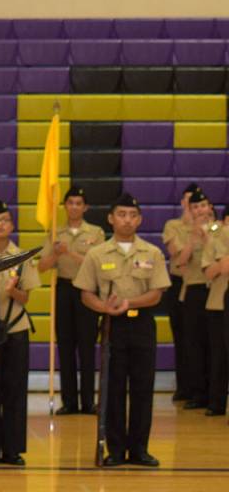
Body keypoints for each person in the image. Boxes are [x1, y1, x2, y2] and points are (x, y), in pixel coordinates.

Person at [74, 193, 170, 467]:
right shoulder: (96, 254)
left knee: (142, 387)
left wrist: (129, 303)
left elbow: (156, 294)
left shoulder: (152, 252)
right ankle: (115, 450)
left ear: (139, 220)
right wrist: (104, 307)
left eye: (132, 215)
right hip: (112, 325)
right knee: (113, 388)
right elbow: (86, 293)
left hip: (142, 324)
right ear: (111, 218)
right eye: (121, 214)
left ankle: (139, 449)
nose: (127, 220)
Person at [0, 197, 41, 466]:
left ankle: (13, 450)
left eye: (5, 220)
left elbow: (26, 298)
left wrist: (14, 290)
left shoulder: (21, 257)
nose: (0, 225)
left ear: (12, 225)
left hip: (15, 329)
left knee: (15, 390)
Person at [37, 186, 104, 415]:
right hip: (64, 290)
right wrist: (56, 253)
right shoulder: (56, 232)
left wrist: (69, 253)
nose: (74, 207)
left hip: (87, 290)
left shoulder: (96, 232)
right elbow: (41, 266)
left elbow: (97, 265)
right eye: (70, 202)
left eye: (78, 203)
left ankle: (88, 402)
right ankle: (69, 402)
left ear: (85, 207)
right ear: (65, 206)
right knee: (65, 346)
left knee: (87, 346)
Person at [174, 189, 215, 410]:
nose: (200, 210)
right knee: (194, 343)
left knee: (215, 344)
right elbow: (180, 261)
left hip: (215, 290)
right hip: (194, 289)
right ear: (190, 210)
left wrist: (208, 235)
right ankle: (198, 392)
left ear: (210, 207)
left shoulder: (220, 229)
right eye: (196, 207)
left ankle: (216, 392)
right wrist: (193, 237)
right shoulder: (184, 232)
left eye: (203, 206)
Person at [162, 182, 198, 401]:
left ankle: (203, 387)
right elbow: (176, 253)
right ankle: (184, 387)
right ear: (183, 202)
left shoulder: (209, 226)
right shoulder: (173, 225)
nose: (192, 205)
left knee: (201, 338)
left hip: (200, 285)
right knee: (182, 337)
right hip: (178, 283)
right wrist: (193, 237)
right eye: (188, 200)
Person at [201, 205, 229, 416]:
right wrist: (223, 263)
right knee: (219, 356)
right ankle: (216, 402)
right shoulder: (214, 242)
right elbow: (208, 272)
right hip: (218, 304)